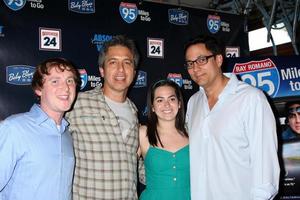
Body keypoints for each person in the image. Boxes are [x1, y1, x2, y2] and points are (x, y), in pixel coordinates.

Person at [184, 35, 280, 200]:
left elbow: (265, 164)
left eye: (201, 60)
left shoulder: (251, 98)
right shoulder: (194, 102)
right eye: (190, 64)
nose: (195, 68)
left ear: (219, 59)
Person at [66, 35, 140, 199]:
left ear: (134, 72)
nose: (121, 69)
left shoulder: (135, 112)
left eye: (127, 63)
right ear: (102, 70)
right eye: (113, 62)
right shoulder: (77, 103)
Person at [0, 58, 79, 200]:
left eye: (70, 81)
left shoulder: (67, 134)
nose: (66, 88)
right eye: (55, 81)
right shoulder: (14, 129)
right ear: (38, 89)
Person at [138, 79, 190, 200]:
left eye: (172, 99)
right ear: (152, 107)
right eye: (160, 100)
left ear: (179, 103)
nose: (166, 105)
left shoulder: (192, 133)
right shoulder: (142, 134)